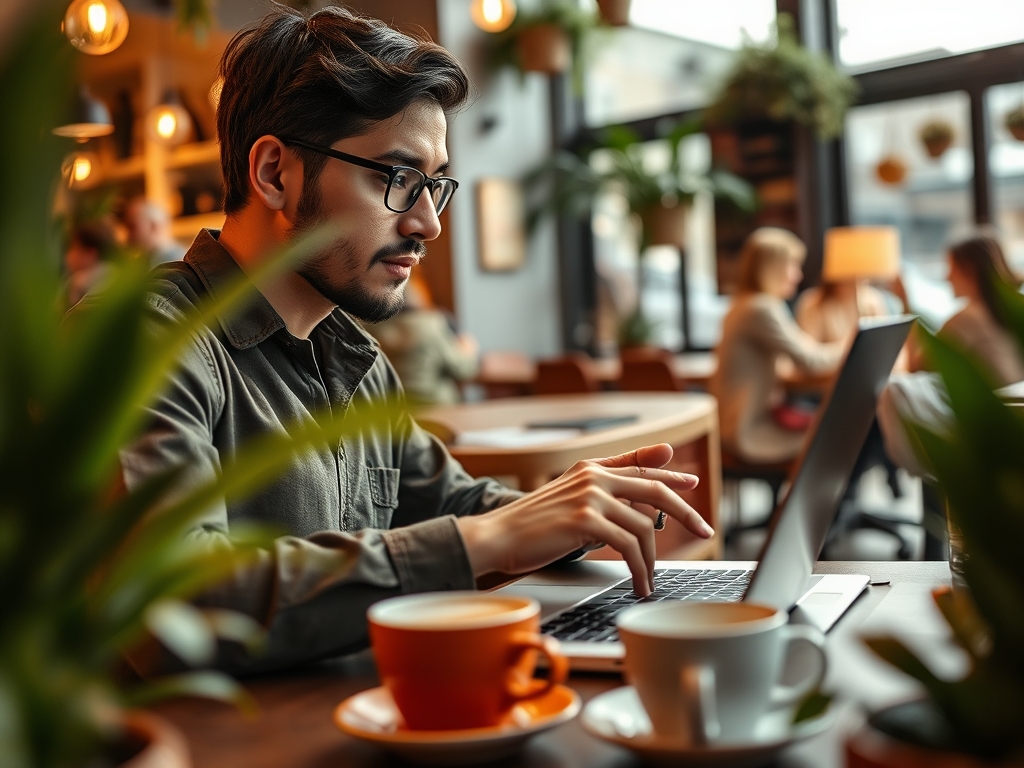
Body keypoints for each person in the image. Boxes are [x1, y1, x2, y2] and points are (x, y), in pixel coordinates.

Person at [97, 5, 712, 675]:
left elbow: (454, 506)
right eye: (396, 179)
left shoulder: (356, 361)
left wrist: (577, 509)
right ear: (276, 174)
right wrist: (495, 536)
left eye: (435, 185)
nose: (428, 224)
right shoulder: (142, 339)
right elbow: (174, 605)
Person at [710, 227, 845, 464]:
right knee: (840, 435)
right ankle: (831, 500)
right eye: (792, 265)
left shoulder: (742, 305)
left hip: (732, 425)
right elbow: (810, 361)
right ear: (772, 267)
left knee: (832, 429)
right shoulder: (760, 308)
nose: (798, 275)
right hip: (748, 432)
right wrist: (851, 342)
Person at [366, 274, 479, 407]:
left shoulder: (371, 329)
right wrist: (469, 350)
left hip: (396, 411)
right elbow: (463, 370)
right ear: (417, 297)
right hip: (437, 408)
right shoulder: (431, 324)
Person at [64, 219, 117, 308]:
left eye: (74, 248)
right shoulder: (115, 274)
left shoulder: (81, 282)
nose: (69, 254)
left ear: (91, 253)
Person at [122, 196, 187, 267]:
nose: (128, 234)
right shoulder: (141, 262)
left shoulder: (179, 262)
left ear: (154, 226)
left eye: (133, 227)